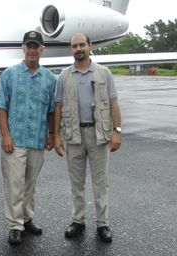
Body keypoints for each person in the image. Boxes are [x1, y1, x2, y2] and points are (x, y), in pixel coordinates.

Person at [53, 33, 121, 243]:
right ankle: (78, 221)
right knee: (77, 182)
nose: (78, 48)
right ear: (71, 49)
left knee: (100, 182)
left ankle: (103, 224)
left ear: (90, 46)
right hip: (74, 135)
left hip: (98, 134)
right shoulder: (64, 76)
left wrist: (117, 131)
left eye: (82, 44)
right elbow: (58, 106)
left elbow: (113, 103)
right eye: (74, 45)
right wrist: (56, 135)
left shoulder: (103, 73)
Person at [0, 31, 56, 245]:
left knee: (30, 184)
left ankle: (27, 218)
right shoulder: (9, 74)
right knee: (14, 184)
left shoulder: (49, 78)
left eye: (36, 46)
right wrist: (6, 136)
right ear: (23, 48)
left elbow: (51, 110)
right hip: (15, 141)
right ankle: (15, 225)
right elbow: (1, 106)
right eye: (28, 45)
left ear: (42, 50)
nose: (32, 50)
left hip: (37, 141)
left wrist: (51, 134)